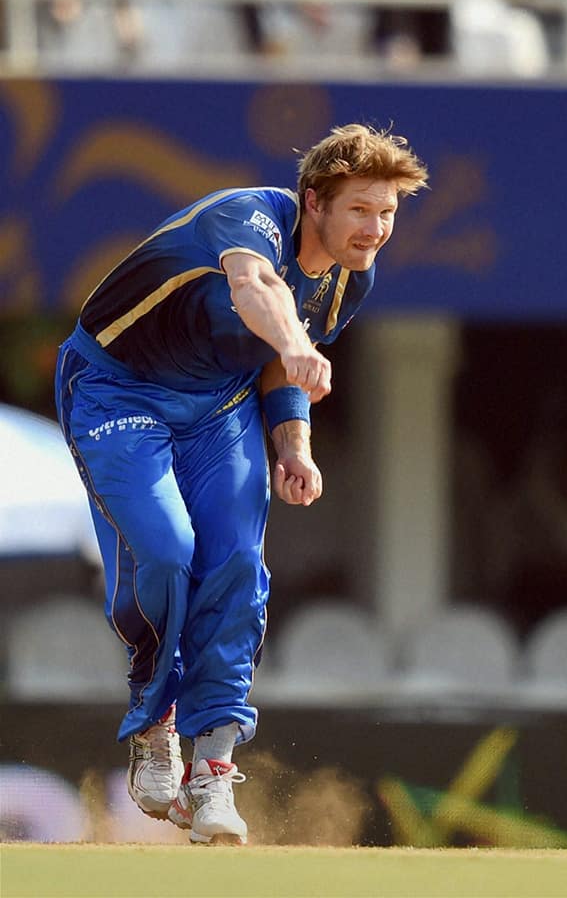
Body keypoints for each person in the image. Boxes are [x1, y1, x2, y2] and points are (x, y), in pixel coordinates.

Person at [55, 123, 429, 845]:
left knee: (235, 565)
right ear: (315, 200)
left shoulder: (354, 276)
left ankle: (214, 773)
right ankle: (155, 721)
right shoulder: (248, 214)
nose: (375, 229)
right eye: (360, 210)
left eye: (387, 213)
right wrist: (295, 344)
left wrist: (295, 445)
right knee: (167, 552)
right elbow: (257, 289)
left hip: (219, 403)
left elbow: (276, 368)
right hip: (116, 389)